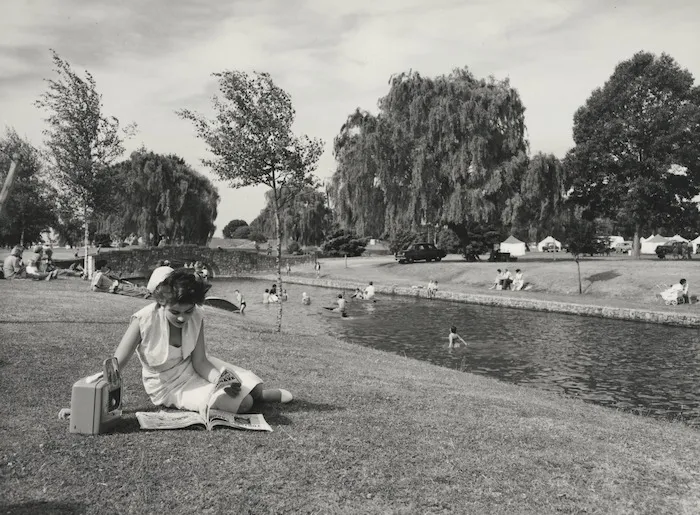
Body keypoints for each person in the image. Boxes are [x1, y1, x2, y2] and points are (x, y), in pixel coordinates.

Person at [112, 269, 293, 417]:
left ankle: (262, 394)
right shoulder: (143, 320)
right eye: (175, 312)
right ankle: (255, 397)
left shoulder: (197, 316)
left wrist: (220, 381)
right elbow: (117, 364)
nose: (182, 318)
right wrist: (102, 390)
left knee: (251, 387)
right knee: (245, 403)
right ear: (161, 303)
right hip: (167, 385)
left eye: (188, 311)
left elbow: (200, 361)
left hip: (194, 366)